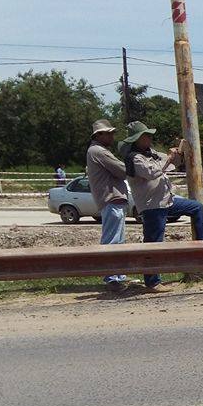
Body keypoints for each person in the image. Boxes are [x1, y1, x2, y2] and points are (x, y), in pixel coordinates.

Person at [123, 121, 203, 291]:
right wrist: (169, 158)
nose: (150, 138)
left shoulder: (151, 153)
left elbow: (173, 164)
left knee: (197, 208)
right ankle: (152, 281)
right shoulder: (134, 158)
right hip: (152, 206)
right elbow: (152, 172)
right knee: (154, 243)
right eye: (146, 136)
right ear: (137, 139)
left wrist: (176, 153)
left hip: (166, 200)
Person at [85, 120, 130, 292]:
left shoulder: (96, 150)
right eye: (108, 133)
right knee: (112, 240)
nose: (112, 136)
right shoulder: (98, 151)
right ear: (99, 135)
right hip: (111, 199)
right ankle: (112, 278)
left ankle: (117, 276)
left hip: (113, 200)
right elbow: (122, 169)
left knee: (118, 240)